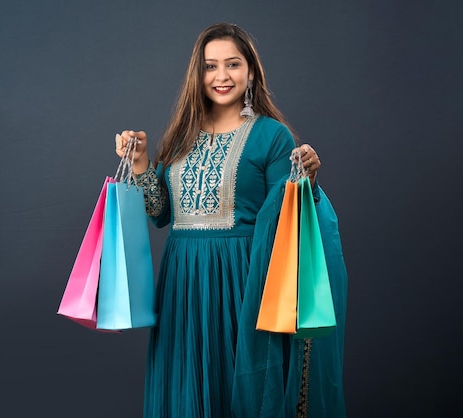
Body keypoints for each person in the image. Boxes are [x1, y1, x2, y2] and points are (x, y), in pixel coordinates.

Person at [115, 23, 347, 418]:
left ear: (251, 71)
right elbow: (160, 215)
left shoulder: (273, 137)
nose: (221, 76)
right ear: (198, 74)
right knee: (187, 392)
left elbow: (289, 220)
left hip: (243, 283)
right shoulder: (179, 136)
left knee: (237, 392)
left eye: (232, 64)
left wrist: (306, 182)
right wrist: (140, 165)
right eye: (210, 66)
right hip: (183, 286)